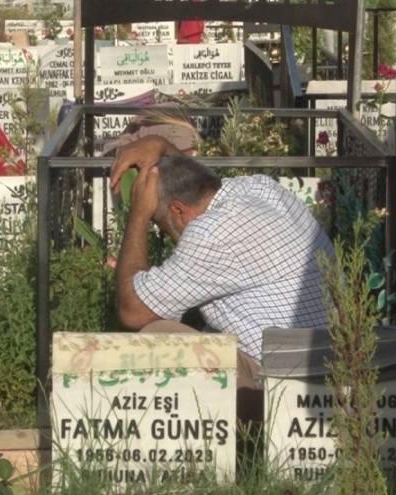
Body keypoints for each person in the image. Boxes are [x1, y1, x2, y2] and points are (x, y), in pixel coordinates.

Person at [110, 135, 334, 424]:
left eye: (161, 225)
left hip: (279, 388)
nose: (166, 236)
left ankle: (239, 445)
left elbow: (133, 311)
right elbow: (193, 180)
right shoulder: (260, 188)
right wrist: (162, 146)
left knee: (158, 335)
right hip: (327, 365)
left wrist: (139, 215)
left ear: (178, 211)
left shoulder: (210, 234)